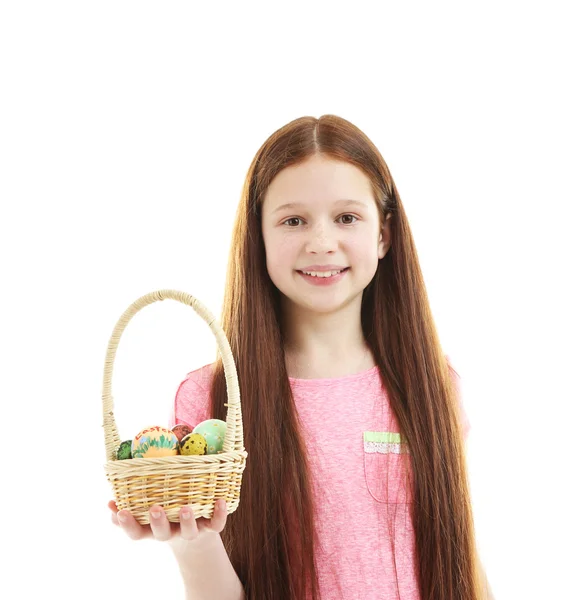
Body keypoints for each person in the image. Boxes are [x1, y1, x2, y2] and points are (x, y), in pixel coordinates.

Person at [109, 114, 495, 600]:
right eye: (293, 220)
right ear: (260, 237)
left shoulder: (434, 386)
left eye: (347, 217)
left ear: (384, 235)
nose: (321, 242)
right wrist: (195, 543)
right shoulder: (211, 399)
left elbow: (462, 560)